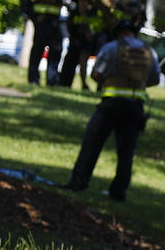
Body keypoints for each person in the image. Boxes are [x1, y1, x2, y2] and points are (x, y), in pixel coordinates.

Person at [62, 20, 159, 202]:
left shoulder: (111, 47)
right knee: (126, 153)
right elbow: (154, 79)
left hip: (111, 104)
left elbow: (97, 73)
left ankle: (78, 182)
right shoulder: (149, 51)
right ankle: (118, 192)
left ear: (119, 33)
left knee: (92, 143)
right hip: (135, 107)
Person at [27, 0, 64, 86]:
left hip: (53, 19)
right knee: (39, 48)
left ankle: (52, 79)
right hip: (43, 18)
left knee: (55, 49)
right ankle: (34, 79)